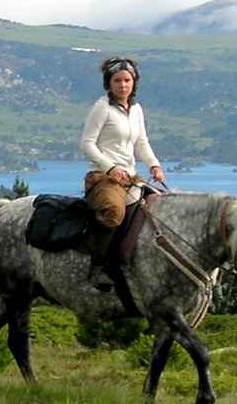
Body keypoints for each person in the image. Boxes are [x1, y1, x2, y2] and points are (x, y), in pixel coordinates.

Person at [79, 56, 167, 311]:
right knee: (114, 212)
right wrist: (110, 167)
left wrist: (154, 165)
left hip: (130, 177)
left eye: (127, 80)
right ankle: (98, 265)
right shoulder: (101, 108)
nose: (123, 85)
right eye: (117, 80)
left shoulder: (137, 110)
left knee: (157, 209)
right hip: (103, 177)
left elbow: (141, 143)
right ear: (109, 83)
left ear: (134, 82)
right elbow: (87, 144)